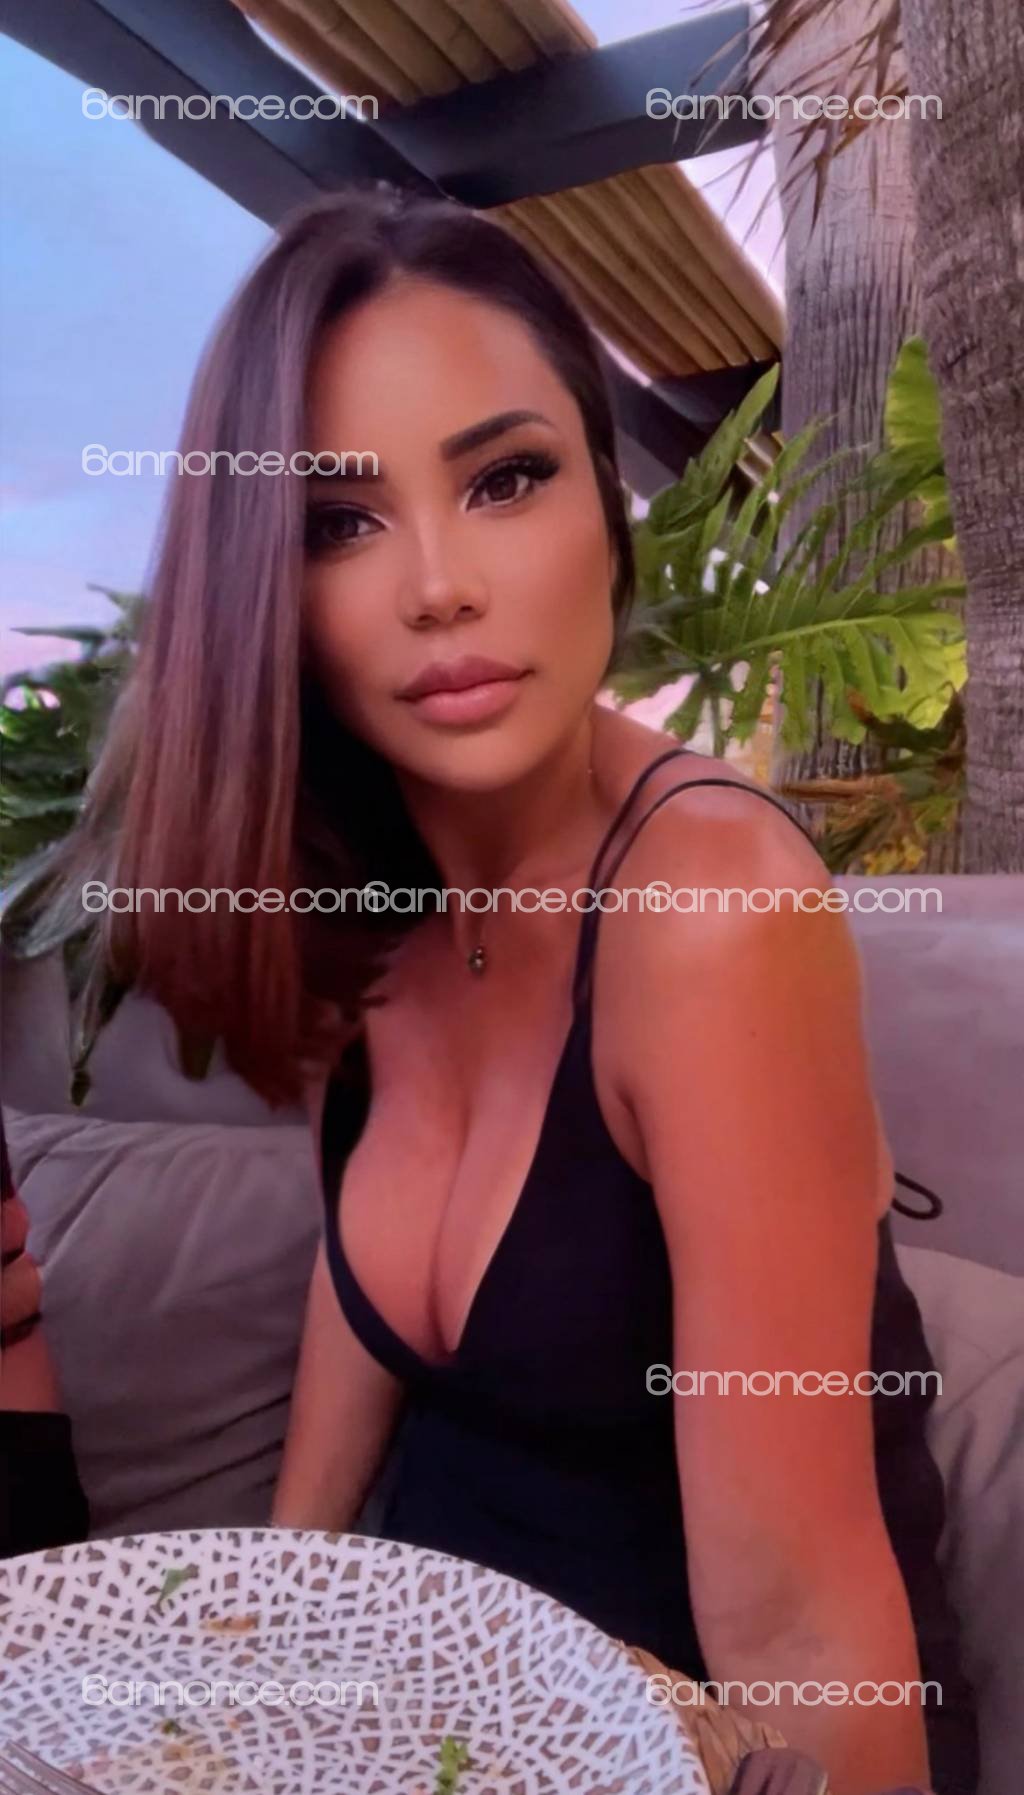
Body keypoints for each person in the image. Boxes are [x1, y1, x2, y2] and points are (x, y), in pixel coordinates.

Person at [8, 187, 975, 1795]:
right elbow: (371, 1282)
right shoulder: (368, 877)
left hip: (689, 1748)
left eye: (505, 478)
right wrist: (265, 1656)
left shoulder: (712, 913)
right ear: (268, 590)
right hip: (417, 1715)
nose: (440, 586)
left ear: (607, 503)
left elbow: (802, 1626)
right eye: (339, 523)